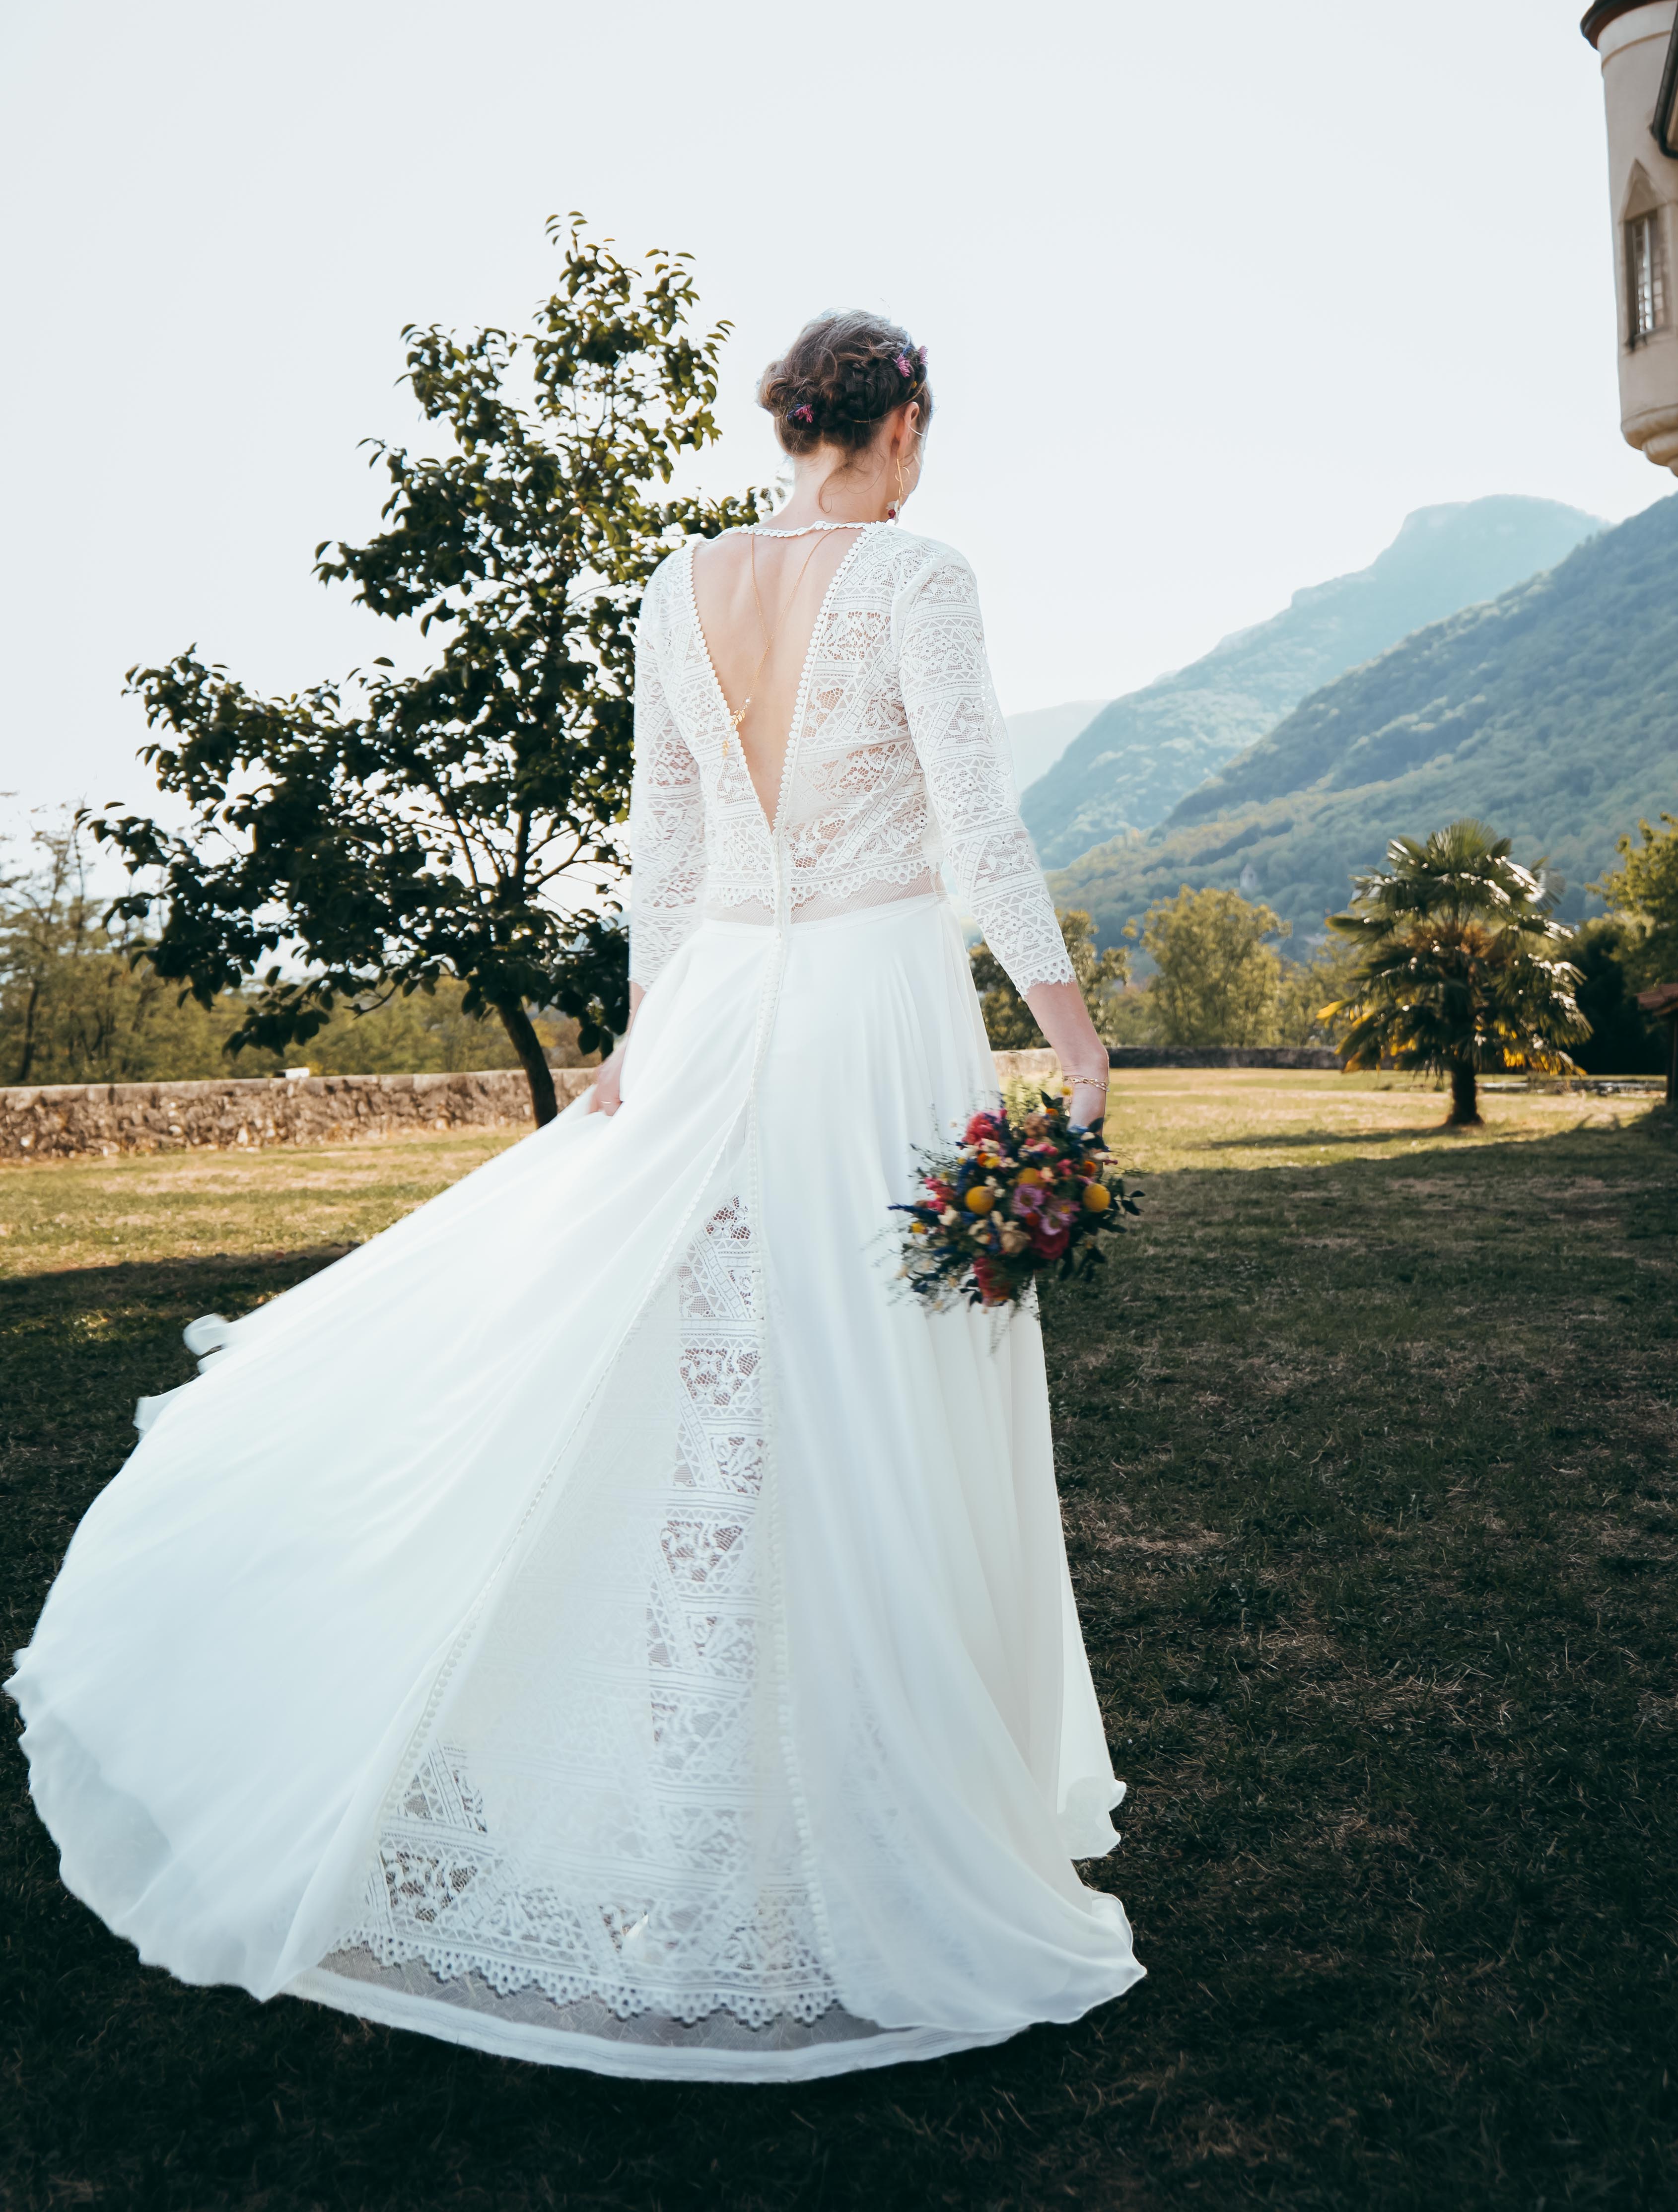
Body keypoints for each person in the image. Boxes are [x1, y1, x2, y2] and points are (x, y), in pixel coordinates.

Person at [8, 312, 1139, 2081]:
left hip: (721, 1009)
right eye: (926, 432)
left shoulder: (679, 584)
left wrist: (643, 1036)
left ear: (797, 427)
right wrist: (1073, 1046)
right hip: (864, 1024)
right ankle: (847, 1818)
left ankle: (682, 1810)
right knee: (870, 1390)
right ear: (901, 424)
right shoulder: (919, 576)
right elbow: (981, 830)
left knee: (701, 1388)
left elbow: (667, 855)